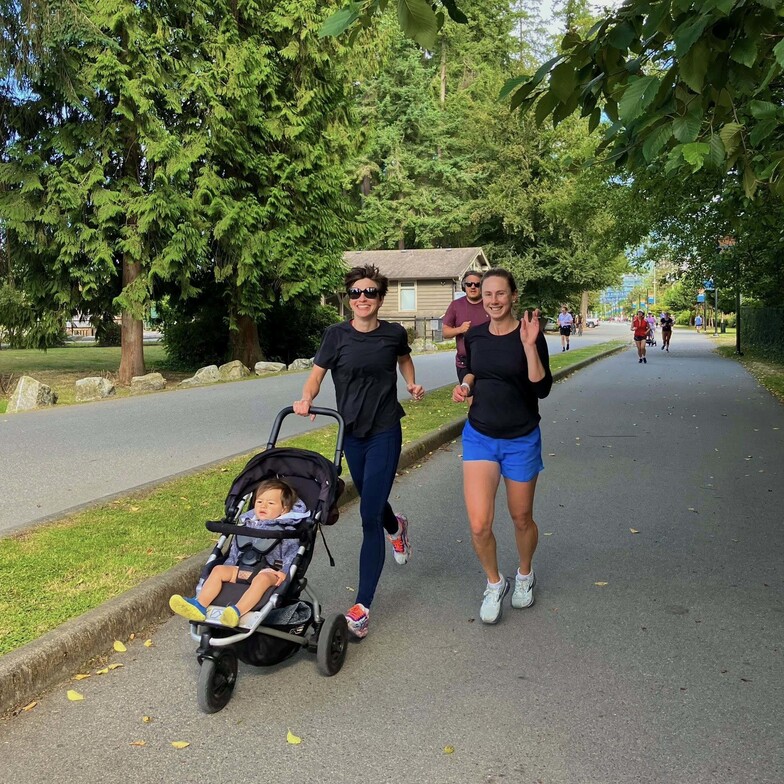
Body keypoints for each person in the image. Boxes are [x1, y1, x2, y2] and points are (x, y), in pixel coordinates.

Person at [294, 264, 424, 639]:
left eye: (370, 292)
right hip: (350, 432)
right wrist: (306, 398)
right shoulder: (335, 335)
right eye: (356, 292)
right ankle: (396, 526)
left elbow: (404, 358)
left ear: (380, 298)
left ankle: (362, 608)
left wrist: (411, 383)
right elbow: (316, 375)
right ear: (348, 298)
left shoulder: (393, 333)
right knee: (370, 496)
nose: (362, 298)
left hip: (385, 429)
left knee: (368, 514)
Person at [451, 268, 552, 625]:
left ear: (513, 296)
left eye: (500, 293)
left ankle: (524, 573)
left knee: (521, 517)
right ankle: (495, 583)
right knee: (479, 524)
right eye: (487, 293)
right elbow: (473, 370)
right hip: (480, 435)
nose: (493, 300)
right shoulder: (475, 335)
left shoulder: (530, 334)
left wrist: (529, 346)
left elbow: (541, 389)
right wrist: (466, 385)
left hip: (521, 438)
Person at [169, 479, 309, 627]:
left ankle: (237, 612)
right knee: (218, 570)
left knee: (262, 579)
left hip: (269, 572)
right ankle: (200, 605)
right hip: (242, 569)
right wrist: (229, 567)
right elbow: (234, 554)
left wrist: (284, 573)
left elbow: (291, 556)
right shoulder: (245, 526)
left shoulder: (287, 532)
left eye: (270, 503)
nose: (263, 506)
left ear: (284, 509)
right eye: (259, 502)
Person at [442, 270, 491, 383]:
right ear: (464, 286)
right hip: (464, 363)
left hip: (488, 359)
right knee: (467, 391)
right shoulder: (456, 305)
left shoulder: (490, 304)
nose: (473, 287)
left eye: (477, 284)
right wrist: (460, 329)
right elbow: (445, 333)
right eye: (469, 284)